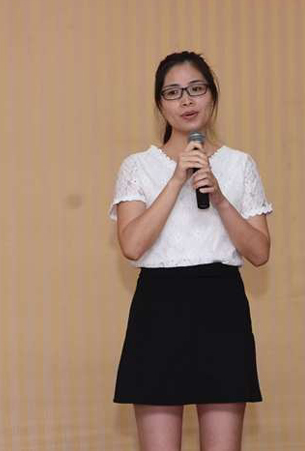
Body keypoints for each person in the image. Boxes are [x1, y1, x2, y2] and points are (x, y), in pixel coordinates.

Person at [109, 51, 273, 451]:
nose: (186, 100)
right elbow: (132, 245)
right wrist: (175, 179)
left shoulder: (239, 164)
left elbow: (259, 252)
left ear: (212, 96)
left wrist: (219, 197)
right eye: (173, 92)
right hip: (159, 308)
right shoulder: (137, 166)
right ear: (160, 104)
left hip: (222, 308)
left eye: (196, 89)